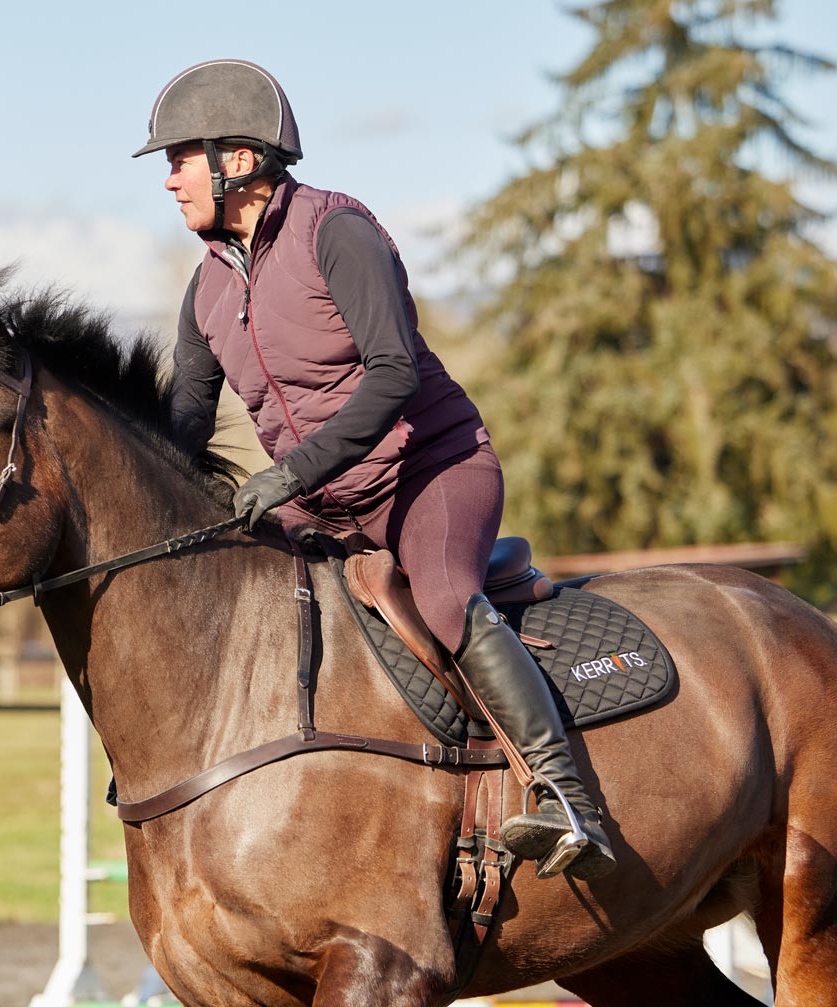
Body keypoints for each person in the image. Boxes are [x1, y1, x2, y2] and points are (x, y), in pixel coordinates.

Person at [135, 59, 614, 880]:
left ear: (239, 161)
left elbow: (393, 375)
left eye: (180, 158)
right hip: (325, 498)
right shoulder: (208, 286)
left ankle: (568, 798)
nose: (170, 180)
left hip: (432, 467)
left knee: (443, 601)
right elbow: (185, 418)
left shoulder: (337, 233)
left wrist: (284, 477)